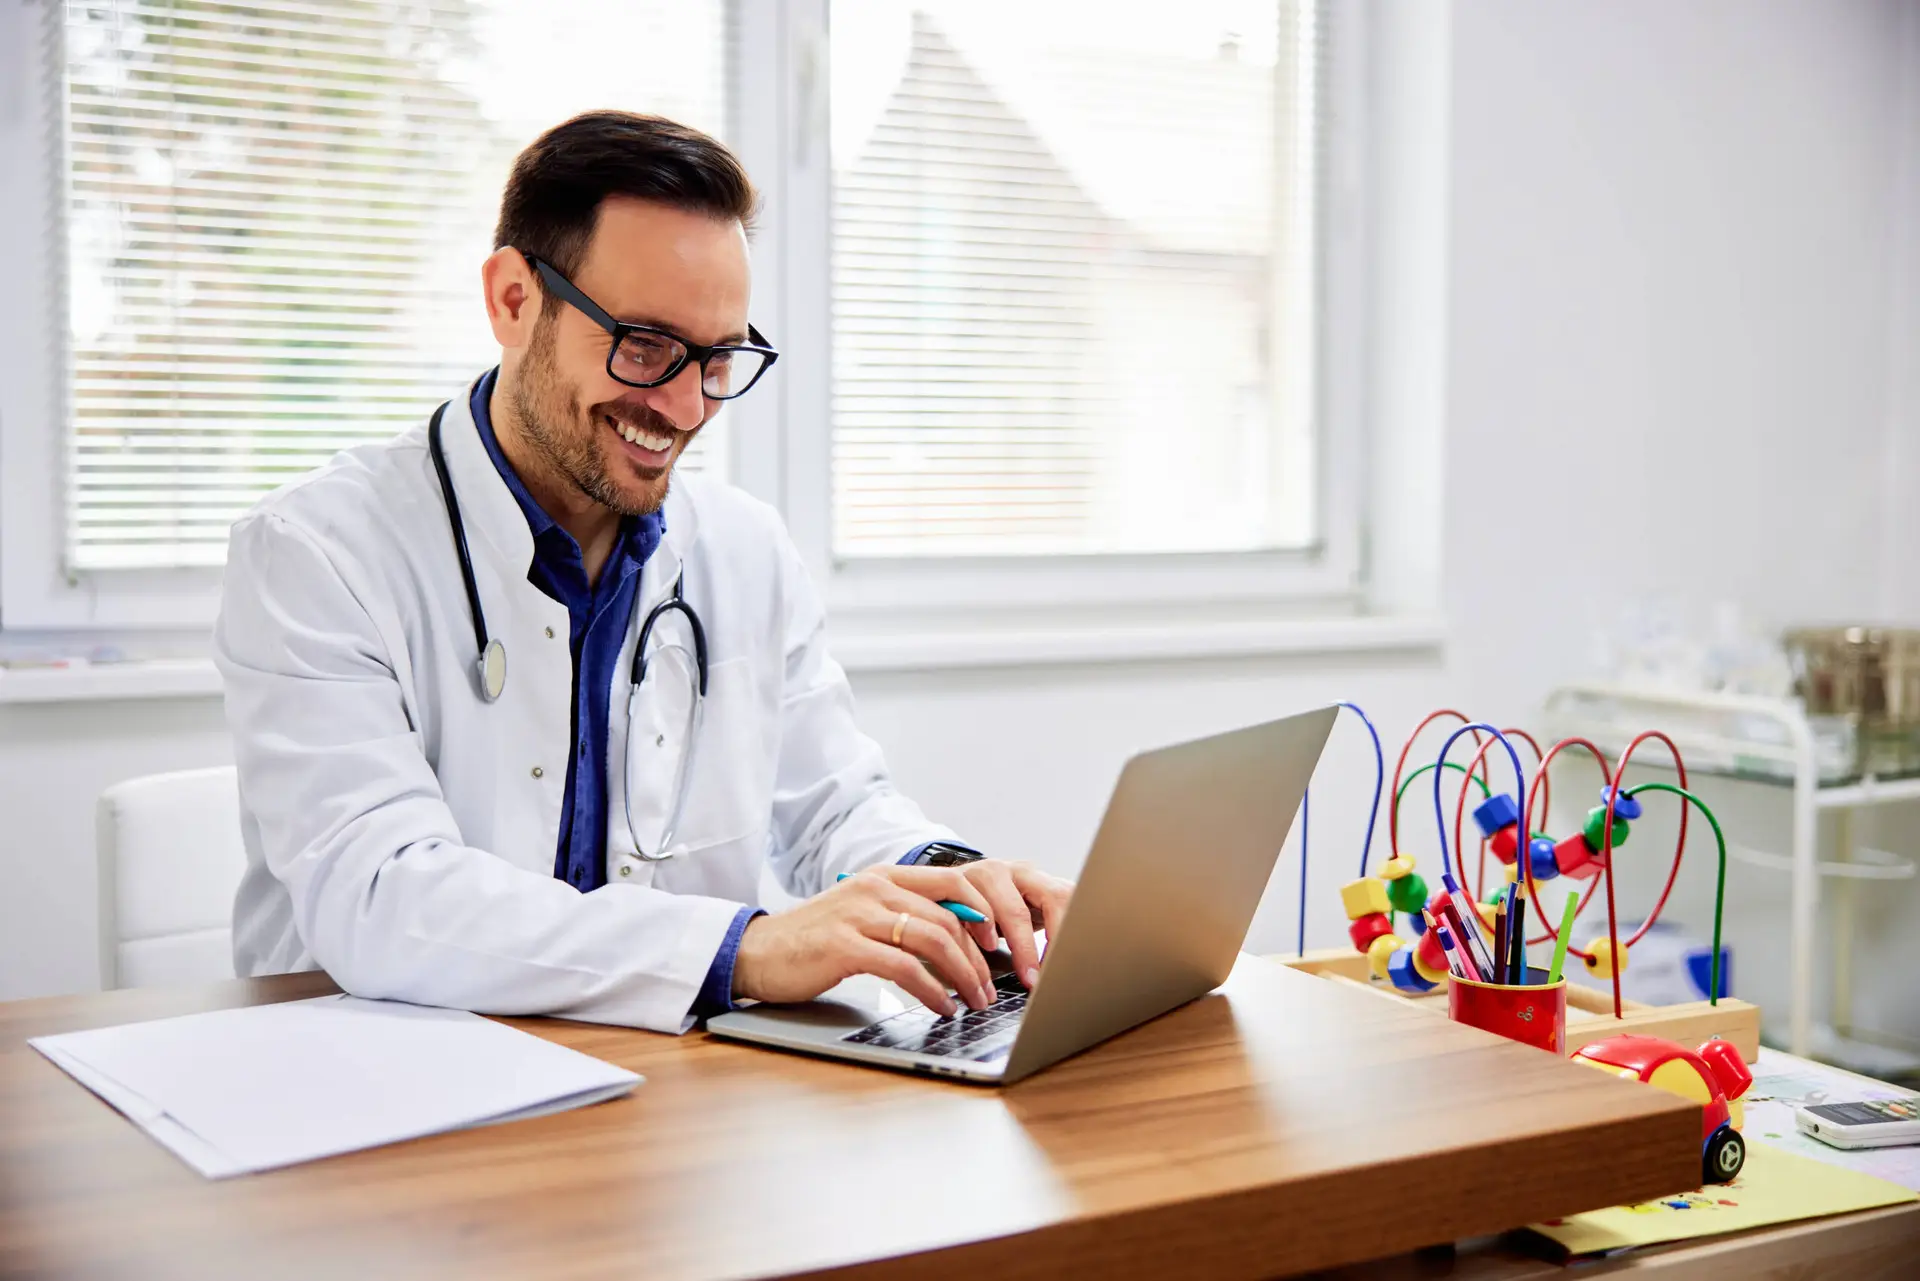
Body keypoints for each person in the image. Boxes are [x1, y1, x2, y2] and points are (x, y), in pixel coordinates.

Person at [216, 111, 1071, 1033]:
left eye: (718, 359)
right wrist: (745, 949)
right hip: (379, 1088)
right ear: (513, 300)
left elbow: (834, 804)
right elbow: (380, 895)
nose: (682, 405)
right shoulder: (316, 552)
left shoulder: (743, 549)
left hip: (668, 1086)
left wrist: (947, 884)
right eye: (647, 345)